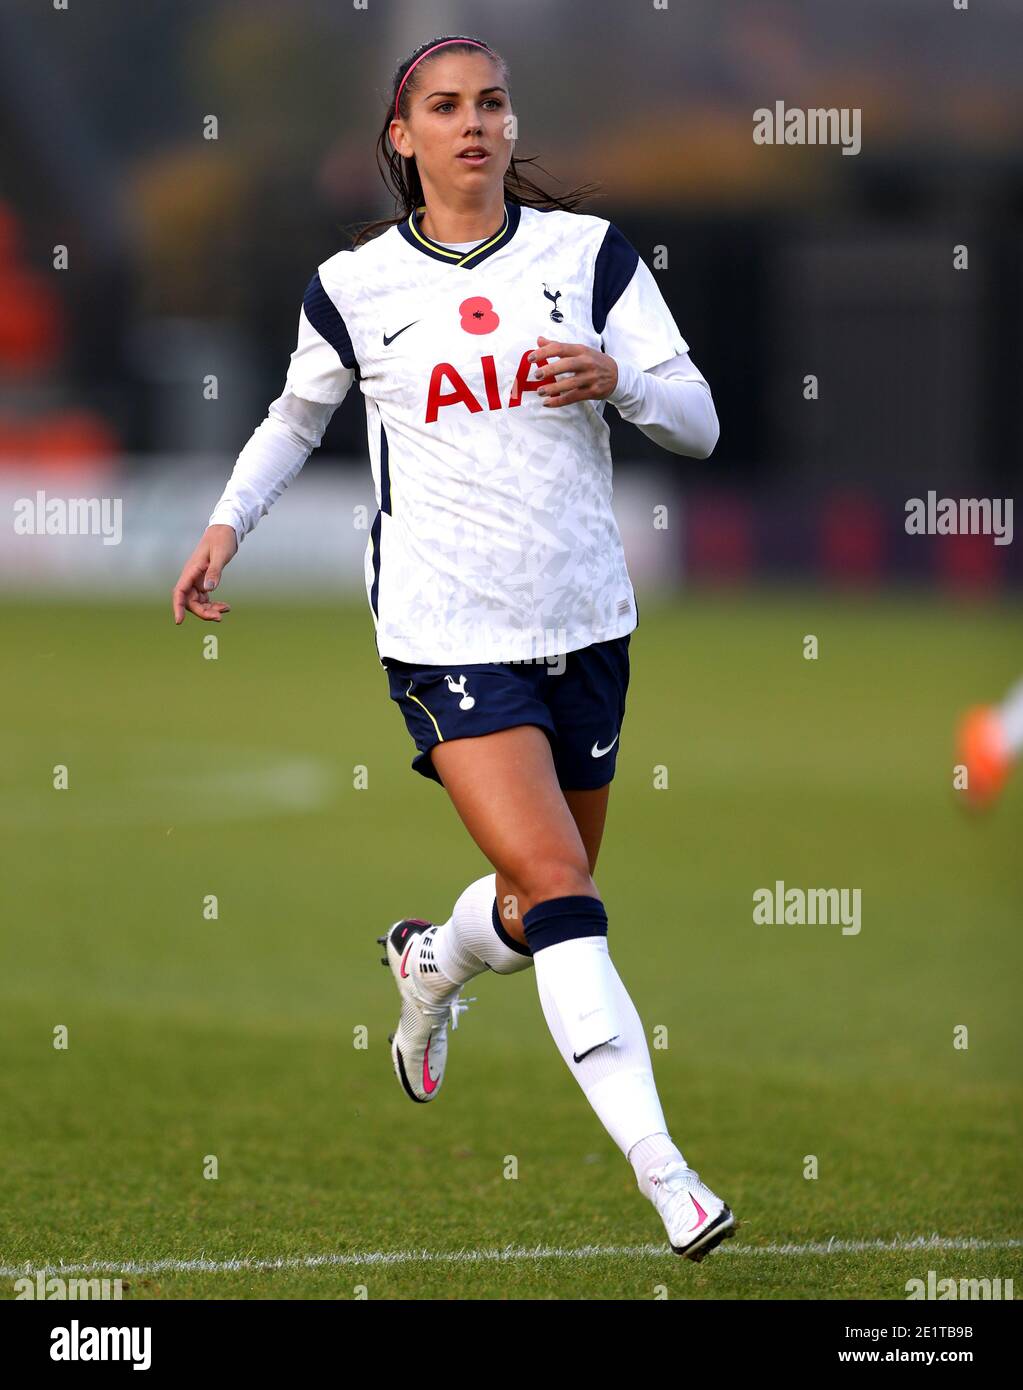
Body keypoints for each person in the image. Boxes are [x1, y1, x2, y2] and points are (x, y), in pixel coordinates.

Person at [172, 34, 733, 1261]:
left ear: (511, 125)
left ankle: (431, 962)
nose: (473, 122)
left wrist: (618, 380)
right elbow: (294, 417)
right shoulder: (354, 284)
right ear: (400, 136)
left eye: (491, 102)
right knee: (574, 894)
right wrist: (225, 526)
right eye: (444, 105)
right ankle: (668, 1175)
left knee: (544, 901)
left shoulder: (590, 258)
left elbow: (697, 417)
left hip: (586, 621)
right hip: (444, 632)